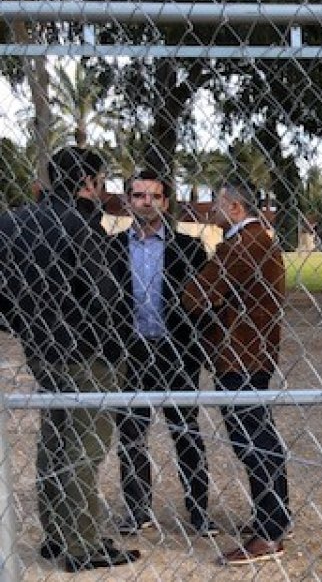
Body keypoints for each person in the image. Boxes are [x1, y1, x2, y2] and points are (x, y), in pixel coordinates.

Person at [0, 147, 141, 572]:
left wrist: (27, 325)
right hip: (89, 353)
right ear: (91, 183)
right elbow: (105, 297)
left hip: (43, 349)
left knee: (55, 438)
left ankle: (56, 533)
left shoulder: (10, 222)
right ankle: (82, 545)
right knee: (86, 447)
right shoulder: (83, 227)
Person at [182, 181, 290, 565]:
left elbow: (199, 293)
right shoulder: (251, 241)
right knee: (257, 436)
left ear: (236, 208)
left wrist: (191, 291)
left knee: (252, 439)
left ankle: (270, 532)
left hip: (242, 355)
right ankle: (273, 517)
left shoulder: (246, 244)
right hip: (245, 353)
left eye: (219, 203)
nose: (212, 209)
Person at [110, 169, 218, 537]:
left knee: (186, 432)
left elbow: (204, 304)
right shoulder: (110, 248)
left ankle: (199, 512)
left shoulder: (188, 247)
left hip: (177, 352)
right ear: (128, 201)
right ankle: (137, 510)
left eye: (154, 196)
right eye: (139, 196)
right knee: (131, 434)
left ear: (165, 202)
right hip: (130, 353)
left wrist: (199, 347)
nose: (147, 202)